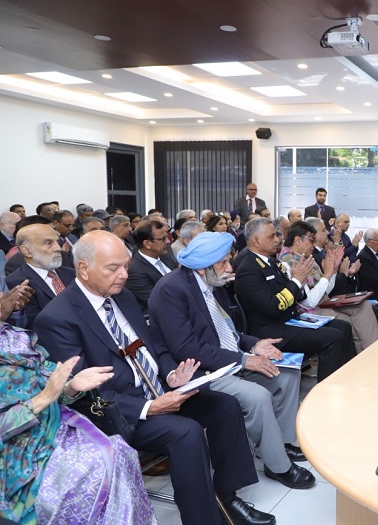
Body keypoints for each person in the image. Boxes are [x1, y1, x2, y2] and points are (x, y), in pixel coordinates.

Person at [33, 231, 274, 525]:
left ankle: (228, 495)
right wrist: (149, 408)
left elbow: (153, 346)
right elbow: (85, 394)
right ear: (83, 268)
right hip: (120, 412)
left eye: (126, 265)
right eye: (113, 268)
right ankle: (203, 519)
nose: (124, 275)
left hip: (157, 391)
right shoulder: (58, 318)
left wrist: (171, 374)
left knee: (225, 407)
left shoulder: (123, 297)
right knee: (186, 432)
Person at [148, 231, 315, 490]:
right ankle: (279, 467)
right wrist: (243, 360)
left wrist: (254, 344)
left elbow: (225, 330)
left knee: (288, 374)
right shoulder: (172, 289)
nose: (230, 267)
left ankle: (279, 445)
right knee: (257, 397)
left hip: (227, 359)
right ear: (204, 268)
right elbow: (186, 348)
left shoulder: (212, 283)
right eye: (224, 262)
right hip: (201, 371)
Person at [0, 321, 156, 524]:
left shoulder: (15, 335)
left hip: (56, 429)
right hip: (17, 456)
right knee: (93, 471)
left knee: (117, 452)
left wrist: (71, 387)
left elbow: (52, 387)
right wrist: (42, 399)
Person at [234, 218, 355, 382]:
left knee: (344, 326)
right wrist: (297, 282)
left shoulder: (273, 262)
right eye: (271, 237)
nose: (278, 240)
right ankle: (326, 391)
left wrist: (303, 283)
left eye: (277, 235)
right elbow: (272, 307)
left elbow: (302, 299)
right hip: (272, 330)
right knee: (333, 338)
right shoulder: (248, 269)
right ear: (256, 240)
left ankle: (347, 379)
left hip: (289, 320)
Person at [284, 220, 378, 353]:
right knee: (350, 325)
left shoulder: (305, 257)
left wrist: (333, 271)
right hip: (310, 311)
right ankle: (367, 358)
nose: (314, 243)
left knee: (364, 307)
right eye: (311, 240)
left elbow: (326, 290)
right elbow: (309, 302)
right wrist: (327, 274)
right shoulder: (288, 262)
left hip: (323, 301)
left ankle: (374, 352)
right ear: (297, 240)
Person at [6, 224, 75, 327]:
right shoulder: (17, 282)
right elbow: (35, 326)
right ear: (27, 251)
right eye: (48, 243)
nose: (58, 248)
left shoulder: (72, 274)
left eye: (57, 241)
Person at [124, 219, 179, 314]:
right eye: (162, 239)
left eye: (166, 237)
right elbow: (159, 303)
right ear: (147, 244)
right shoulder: (135, 271)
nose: (168, 241)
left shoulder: (165, 255)